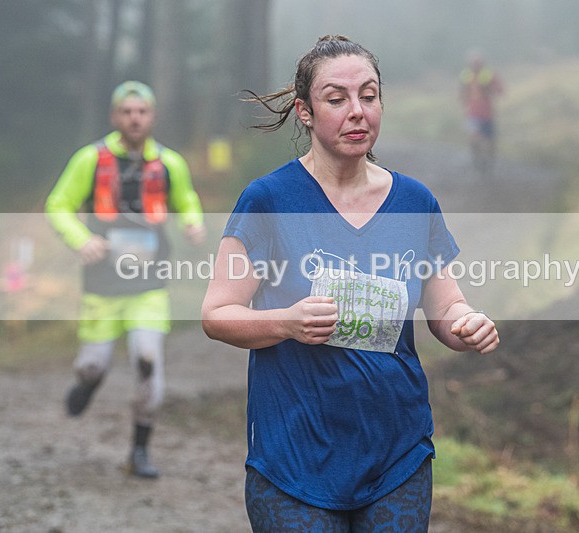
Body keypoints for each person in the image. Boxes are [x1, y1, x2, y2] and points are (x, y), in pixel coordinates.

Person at [201, 35, 499, 531]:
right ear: (305, 111)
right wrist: (288, 322)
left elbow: (448, 308)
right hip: (294, 457)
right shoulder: (268, 200)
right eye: (336, 99)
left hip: (396, 452)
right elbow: (217, 314)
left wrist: (468, 324)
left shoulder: (414, 201)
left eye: (369, 95)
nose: (357, 111)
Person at [45, 81, 206, 478]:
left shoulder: (170, 163)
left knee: (148, 361)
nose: (135, 118)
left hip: (149, 285)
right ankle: (87, 383)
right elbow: (58, 205)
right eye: (127, 111)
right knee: (93, 365)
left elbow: (187, 200)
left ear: (152, 116)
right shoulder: (90, 159)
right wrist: (80, 240)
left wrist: (193, 223)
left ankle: (139, 451)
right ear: (115, 116)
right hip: (101, 285)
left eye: (142, 111)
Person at [459, 51, 504, 178]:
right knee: (474, 138)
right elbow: (462, 92)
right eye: (473, 63)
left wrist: (489, 90)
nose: (475, 65)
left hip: (487, 114)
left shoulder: (489, 74)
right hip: (473, 114)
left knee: (490, 141)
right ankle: (478, 163)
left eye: (477, 62)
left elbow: (500, 89)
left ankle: (488, 164)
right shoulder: (466, 75)